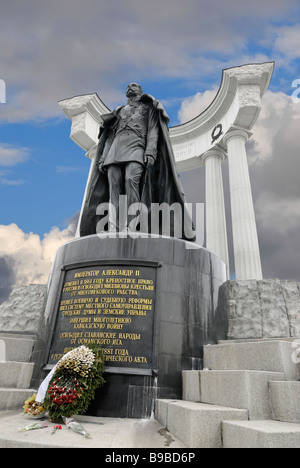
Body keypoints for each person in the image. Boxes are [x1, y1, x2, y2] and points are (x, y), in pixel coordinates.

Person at [79, 83, 195, 241]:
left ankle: (131, 225)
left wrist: (151, 151)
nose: (130, 86)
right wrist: (104, 155)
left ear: (140, 92)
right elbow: (110, 136)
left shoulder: (148, 109)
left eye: (134, 85)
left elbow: (154, 130)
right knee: (114, 186)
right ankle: (114, 226)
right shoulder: (119, 111)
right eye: (129, 86)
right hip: (116, 149)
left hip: (137, 147)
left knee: (131, 180)